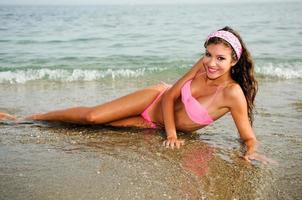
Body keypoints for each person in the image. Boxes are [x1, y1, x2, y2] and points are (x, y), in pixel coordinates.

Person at [4, 26, 266, 163]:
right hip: (153, 100)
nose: (211, 62)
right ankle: (22, 118)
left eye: (220, 58)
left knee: (96, 132)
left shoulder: (233, 94)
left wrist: (251, 152)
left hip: (153, 123)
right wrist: (172, 135)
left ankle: (34, 121)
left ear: (234, 61)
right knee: (94, 117)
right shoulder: (202, 65)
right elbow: (170, 95)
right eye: (208, 54)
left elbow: (248, 137)